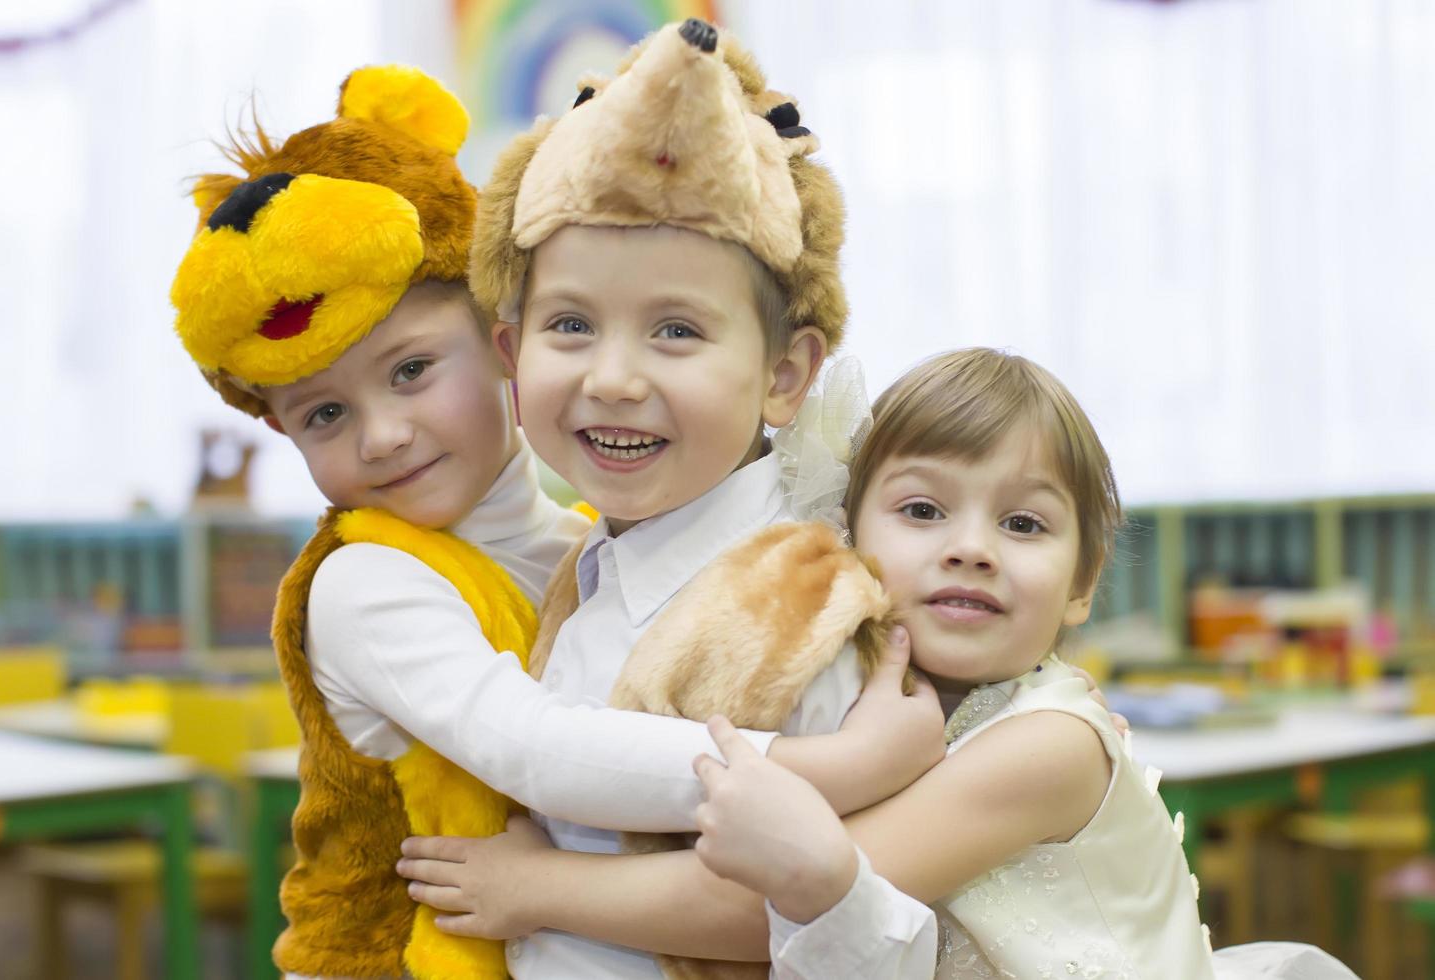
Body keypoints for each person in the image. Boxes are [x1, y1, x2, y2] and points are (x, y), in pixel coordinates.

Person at [168, 62, 939, 980]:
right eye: (323, 415)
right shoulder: (363, 576)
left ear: (499, 342)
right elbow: (539, 750)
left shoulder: (590, 545)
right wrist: (840, 768)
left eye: (412, 371)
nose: (382, 435)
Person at [400, 349, 1356, 980]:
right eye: (924, 511)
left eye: (1022, 524)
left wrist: (534, 890)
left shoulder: (1050, 747)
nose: (971, 547)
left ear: (1081, 585)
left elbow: (778, 899)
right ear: (848, 540)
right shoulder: (869, 694)